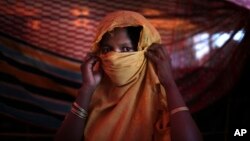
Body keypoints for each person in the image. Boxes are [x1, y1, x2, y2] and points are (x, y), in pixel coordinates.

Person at [55, 10, 203, 141]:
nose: (113, 57)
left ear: (147, 52)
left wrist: (169, 83)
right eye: (107, 49)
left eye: (126, 49)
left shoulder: (158, 101)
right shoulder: (93, 97)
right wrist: (86, 90)